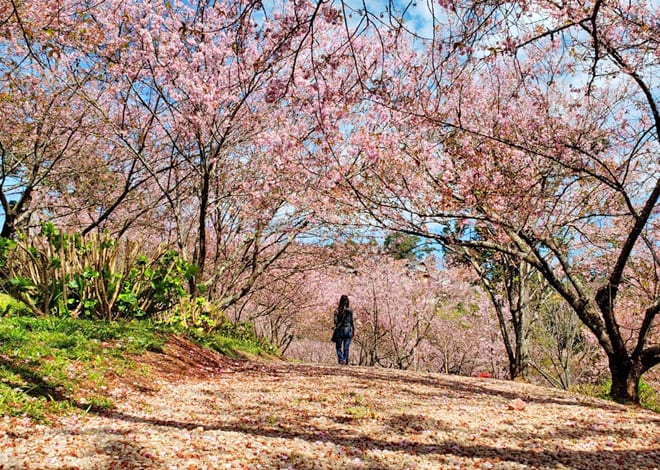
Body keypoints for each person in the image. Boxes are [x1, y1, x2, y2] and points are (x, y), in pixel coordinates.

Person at [332, 294, 354, 365]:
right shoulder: (350, 311)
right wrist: (353, 330)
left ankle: (341, 360)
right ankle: (345, 361)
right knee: (346, 347)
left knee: (338, 347)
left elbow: (335, 322)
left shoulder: (337, 311)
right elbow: (351, 321)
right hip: (349, 330)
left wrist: (337, 325)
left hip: (340, 330)